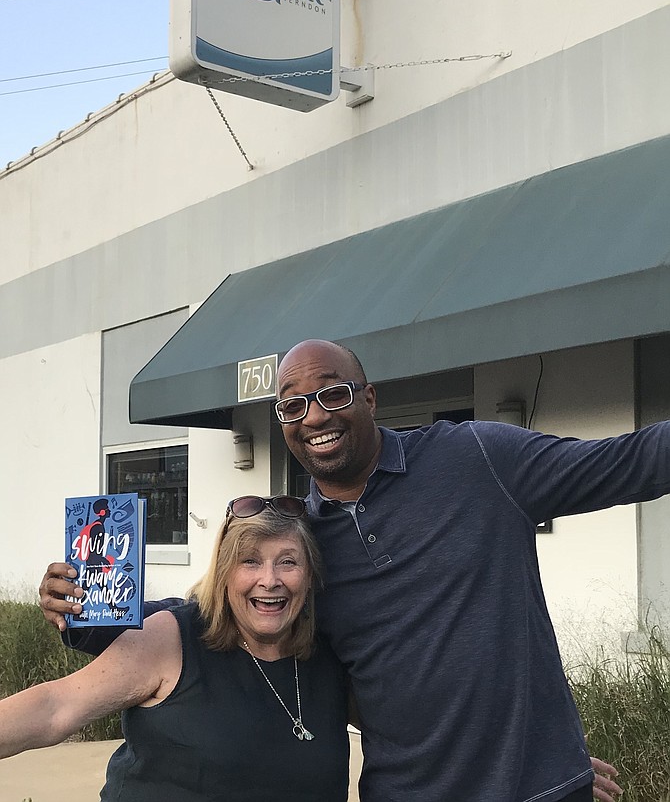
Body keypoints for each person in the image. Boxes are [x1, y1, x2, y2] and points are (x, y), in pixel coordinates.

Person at [39, 339, 649, 802]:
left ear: (370, 397)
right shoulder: (304, 547)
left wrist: (548, 755)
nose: (315, 416)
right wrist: (87, 613)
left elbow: (629, 461)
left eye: (333, 394)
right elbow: (218, 627)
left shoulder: (477, 458)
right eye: (293, 405)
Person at [8, 498, 351, 801]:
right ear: (223, 575)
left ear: (309, 576)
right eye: (249, 561)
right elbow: (56, 707)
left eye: (288, 562)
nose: (270, 579)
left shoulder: (334, 655)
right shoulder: (173, 637)